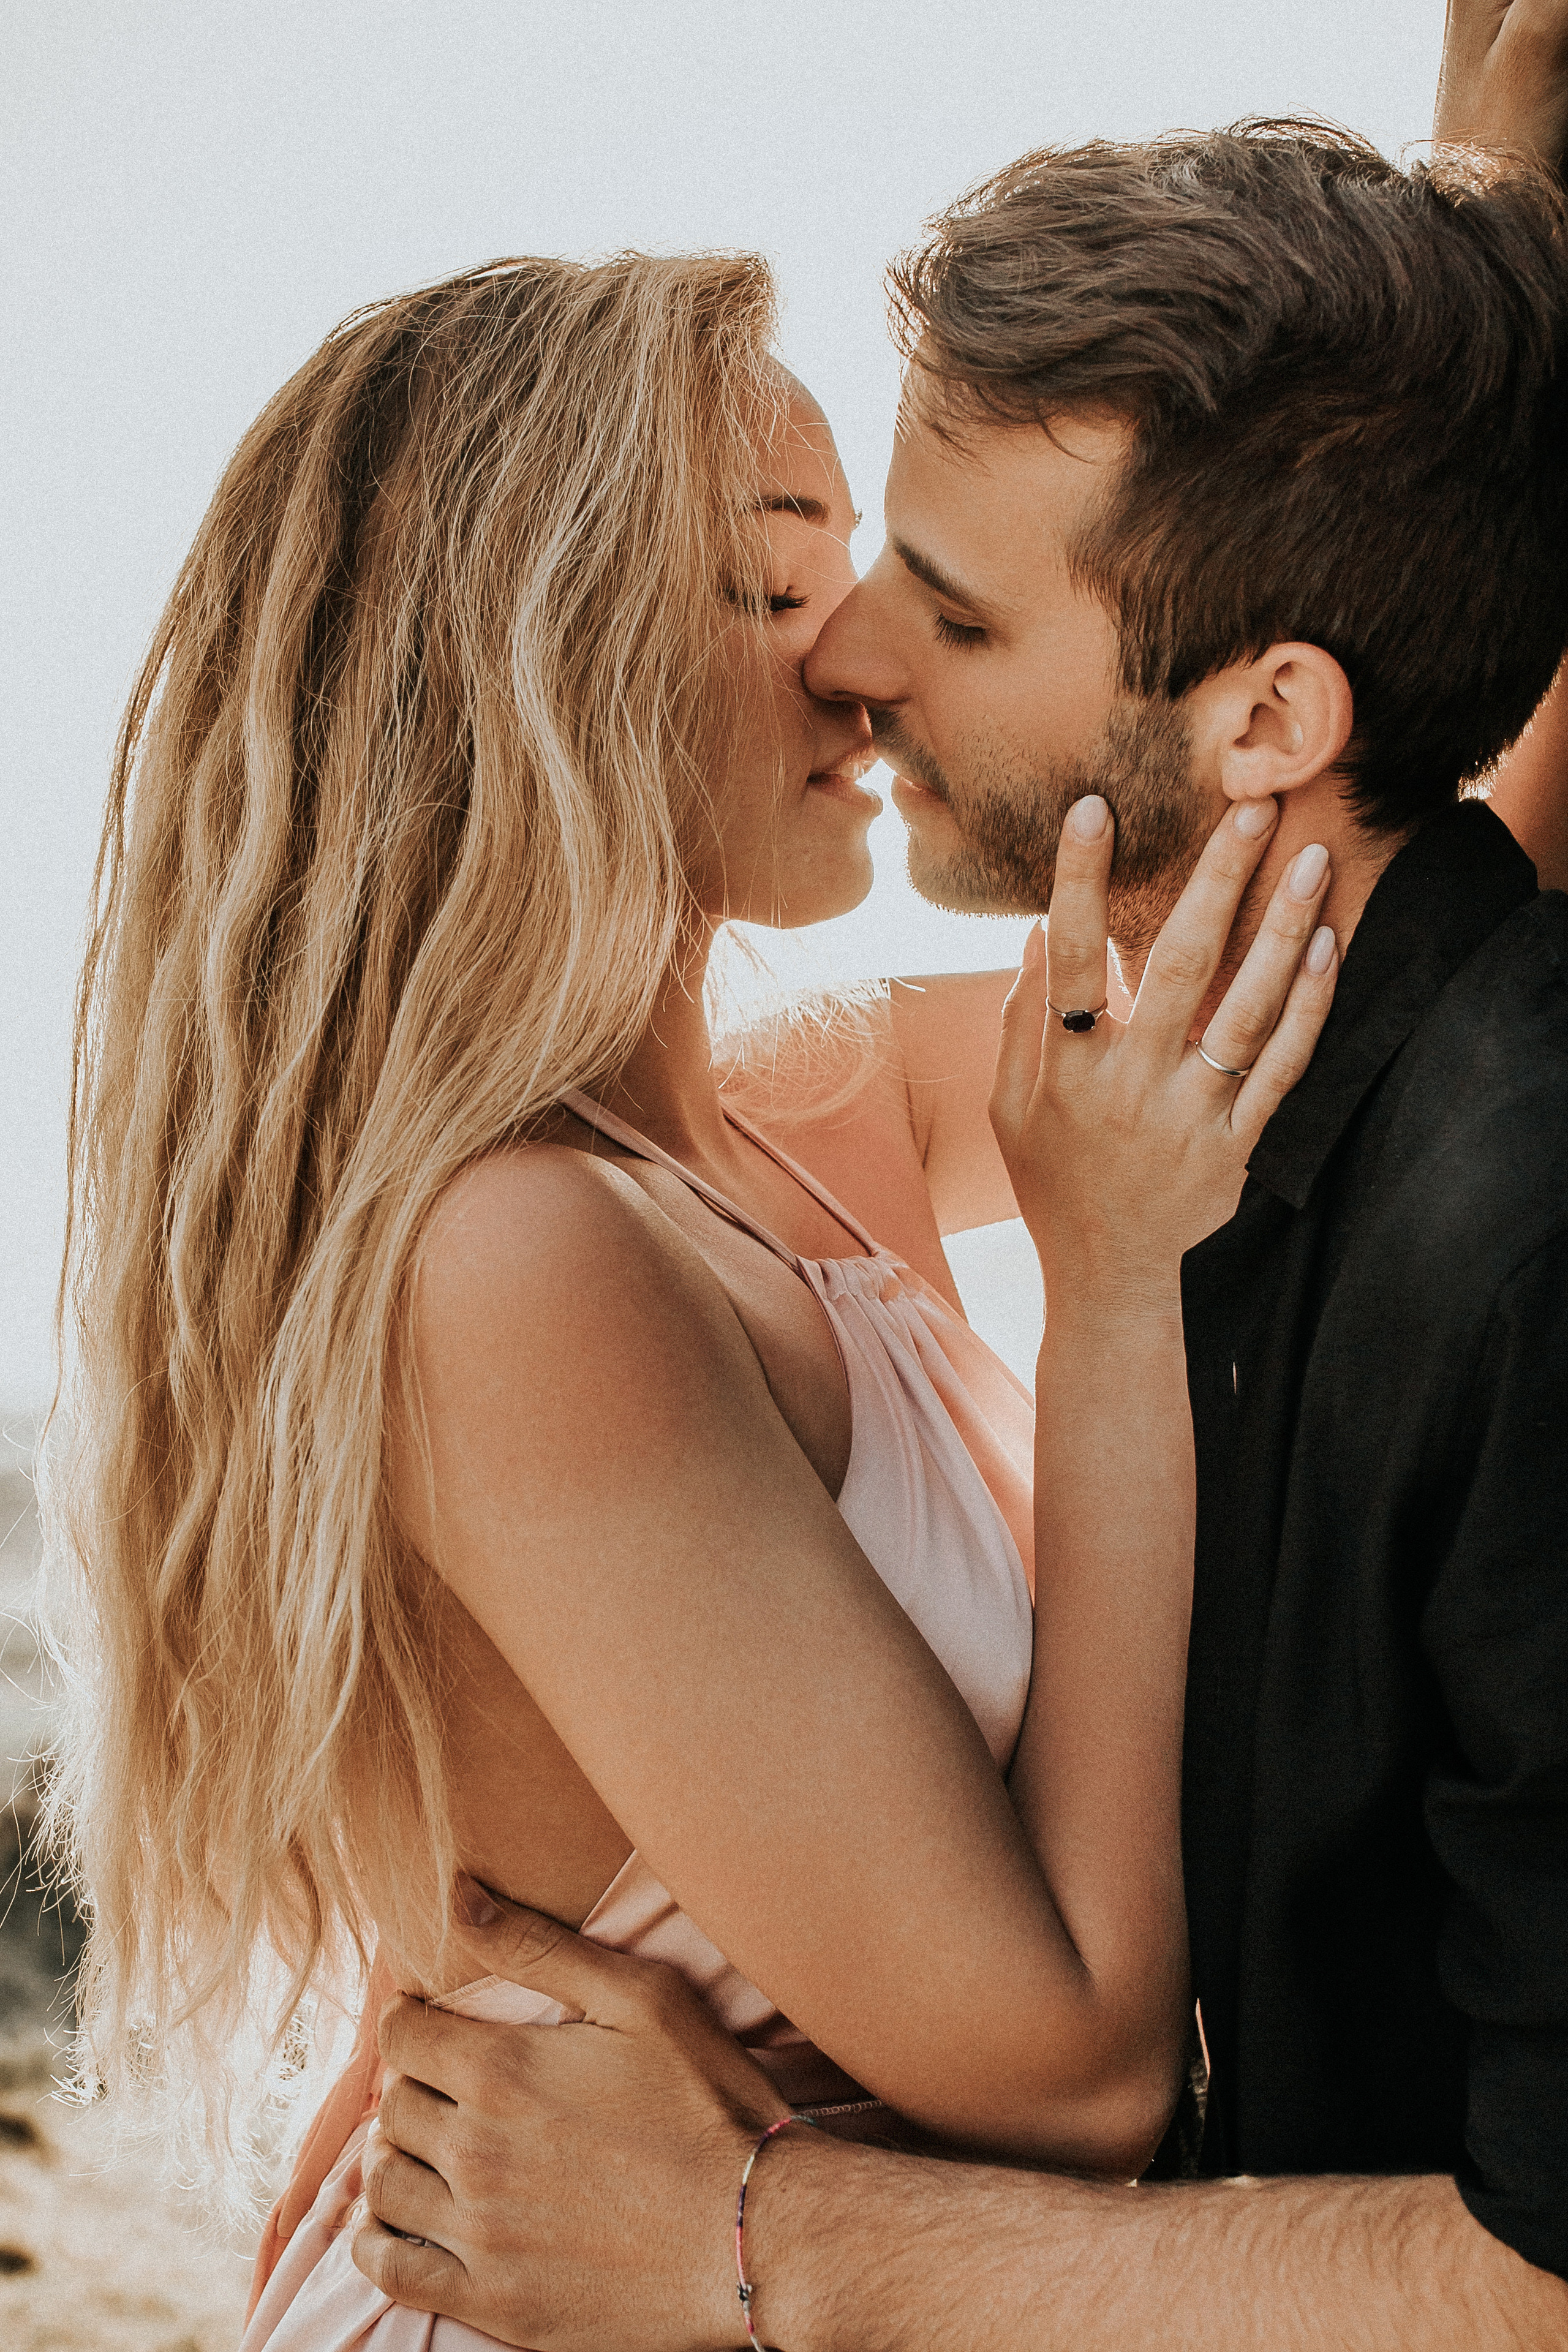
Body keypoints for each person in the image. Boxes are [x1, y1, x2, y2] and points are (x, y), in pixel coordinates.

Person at [349, 35, 1568, 2352]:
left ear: (1271, 717)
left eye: (941, 603)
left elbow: (1380, 851)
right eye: (779, 584)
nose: (855, 656)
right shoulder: (595, 1217)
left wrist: (1468, 331)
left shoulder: (929, 1111)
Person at [47, 217, 1335, 2352]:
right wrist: (1113, 1295)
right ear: (530, 662)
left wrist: (1508, 240)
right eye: (766, 584)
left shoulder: (792, 1115)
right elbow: (1075, 2075)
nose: (861, 655)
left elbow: (1342, 928)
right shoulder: (517, 1257)